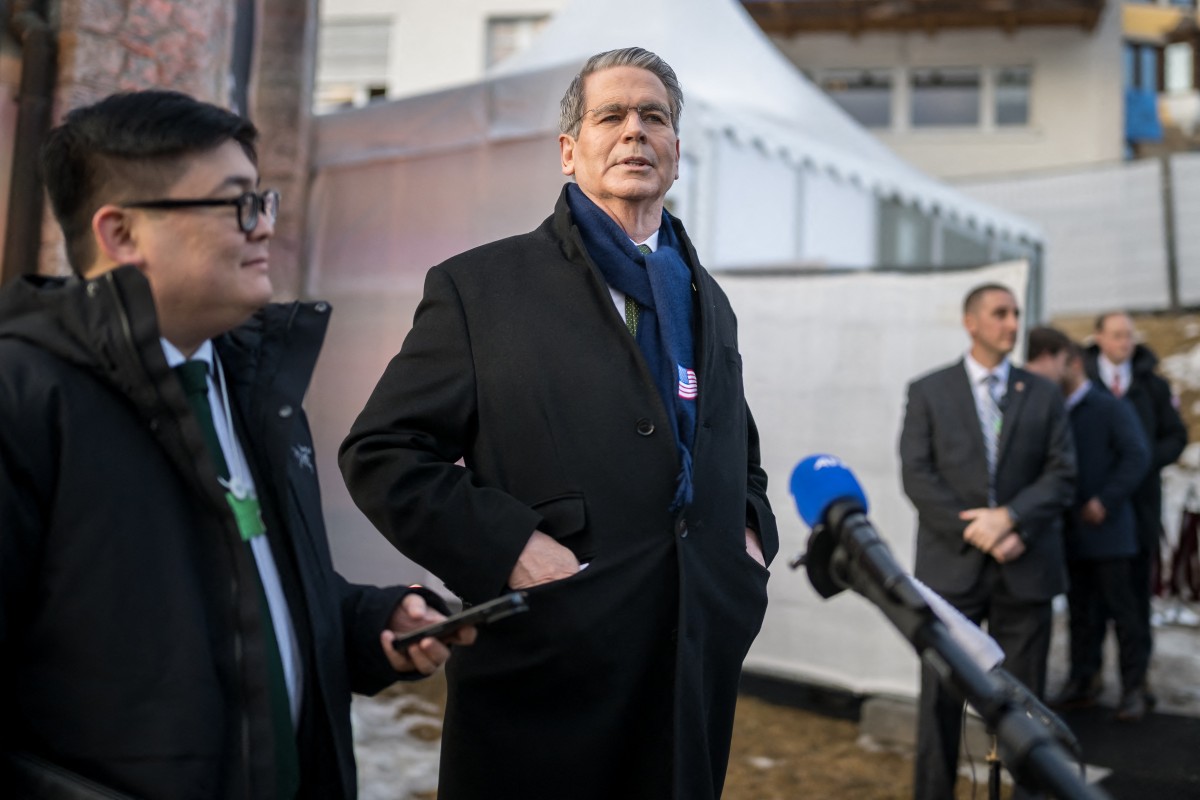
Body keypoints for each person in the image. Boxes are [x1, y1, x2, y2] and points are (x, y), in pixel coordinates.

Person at [0, 90, 473, 799]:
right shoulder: (24, 395)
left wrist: (361, 622)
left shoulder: (246, 382)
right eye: (236, 205)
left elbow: (229, 596)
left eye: (264, 201)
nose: (265, 230)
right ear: (121, 234)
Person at [340, 46, 777, 800]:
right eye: (612, 116)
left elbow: (736, 450)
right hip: (546, 668)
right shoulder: (480, 288)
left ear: (676, 153)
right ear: (570, 152)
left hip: (690, 663)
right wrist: (507, 544)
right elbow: (382, 452)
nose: (635, 132)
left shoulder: (708, 298)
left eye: (655, 118)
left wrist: (746, 546)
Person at [899, 285, 1076, 800]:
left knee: (1026, 710)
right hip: (951, 572)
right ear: (971, 322)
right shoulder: (928, 390)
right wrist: (977, 530)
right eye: (1000, 314)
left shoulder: (1043, 393)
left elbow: (1063, 473)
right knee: (939, 702)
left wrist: (1013, 521)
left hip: (1026, 567)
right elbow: (917, 475)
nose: (1012, 323)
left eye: (1016, 314)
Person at [1027, 328, 1151, 720]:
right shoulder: (1053, 410)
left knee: (1124, 613)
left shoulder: (1108, 407)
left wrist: (1106, 500)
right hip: (1071, 534)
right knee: (1081, 614)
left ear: (1072, 362)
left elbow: (1137, 456)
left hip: (1110, 533)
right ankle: (1083, 680)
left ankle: (1135, 688)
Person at [1084, 311, 1187, 705]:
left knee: (1132, 604)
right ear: (1099, 338)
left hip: (1137, 509)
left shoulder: (1151, 386)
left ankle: (1134, 683)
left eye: (1129, 335)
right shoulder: (1084, 383)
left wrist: (1139, 462)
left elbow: (1175, 438)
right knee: (1086, 603)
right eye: (1116, 335)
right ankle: (1085, 677)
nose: (1125, 342)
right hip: (1091, 512)